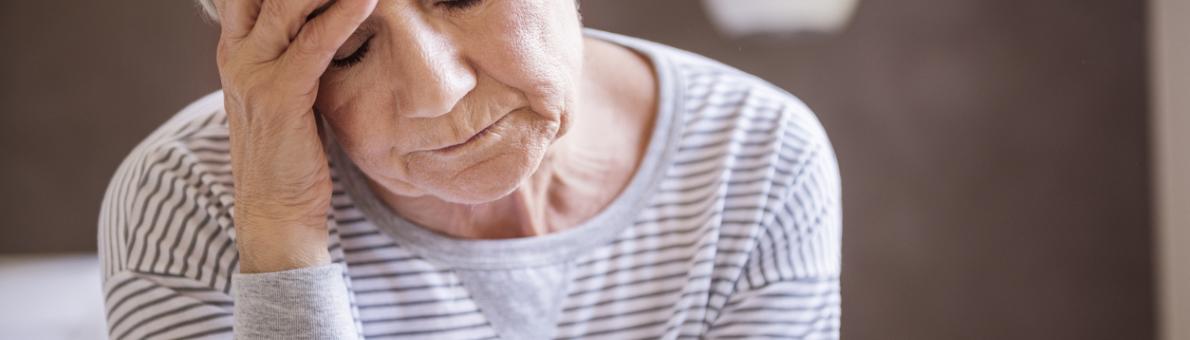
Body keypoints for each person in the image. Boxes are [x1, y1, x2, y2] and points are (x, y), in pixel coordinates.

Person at [98, 0, 842, 338]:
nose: (436, 90)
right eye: (347, 46)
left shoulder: (755, 153)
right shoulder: (185, 200)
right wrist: (281, 233)